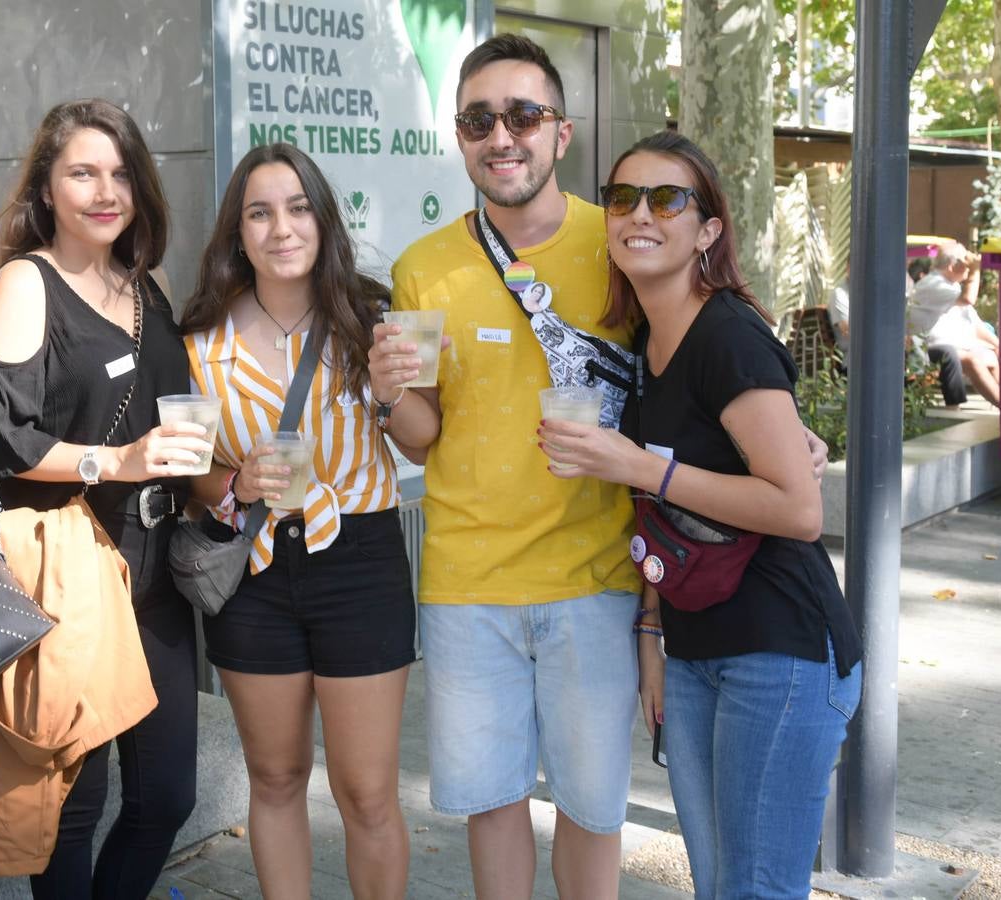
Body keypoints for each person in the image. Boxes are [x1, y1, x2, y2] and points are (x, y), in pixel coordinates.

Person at [374, 36, 830, 900]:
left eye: (522, 115)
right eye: (478, 119)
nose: (500, 136)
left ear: (561, 132)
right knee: (494, 803)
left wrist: (791, 434)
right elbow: (422, 436)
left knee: (591, 809)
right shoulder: (423, 267)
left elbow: (705, 355)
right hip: (467, 582)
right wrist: (385, 393)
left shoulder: (621, 239)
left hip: (597, 575)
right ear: (459, 136)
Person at [539, 130, 863, 900]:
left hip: (779, 652)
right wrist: (653, 636)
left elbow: (797, 508)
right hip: (692, 649)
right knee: (721, 886)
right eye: (622, 198)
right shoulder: (649, 342)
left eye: (667, 199)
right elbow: (669, 515)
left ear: (707, 229)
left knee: (754, 889)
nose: (639, 214)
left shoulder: (727, 336)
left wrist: (641, 466)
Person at [0, 98, 207, 900]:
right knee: (74, 803)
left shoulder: (147, 286)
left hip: (155, 572)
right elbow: (3, 443)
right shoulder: (25, 284)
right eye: (82, 172)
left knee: (168, 795)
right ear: (45, 187)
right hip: (72, 568)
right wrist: (120, 460)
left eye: (120, 174)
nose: (105, 191)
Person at [179, 143, 424, 899]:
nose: (280, 228)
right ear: (236, 231)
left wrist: (389, 393)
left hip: (359, 562)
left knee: (367, 793)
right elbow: (188, 473)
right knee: (276, 775)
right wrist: (231, 480)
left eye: (296, 208)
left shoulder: (371, 318)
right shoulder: (198, 341)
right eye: (259, 212)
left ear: (321, 220)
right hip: (254, 573)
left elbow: (421, 437)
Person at [909, 242, 985, 407]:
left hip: (948, 343)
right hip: (926, 346)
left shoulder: (951, 284)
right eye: (965, 261)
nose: (967, 266)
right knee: (965, 358)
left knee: (991, 357)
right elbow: (968, 299)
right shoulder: (933, 284)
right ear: (952, 266)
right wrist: (975, 270)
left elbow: (975, 324)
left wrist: (998, 345)